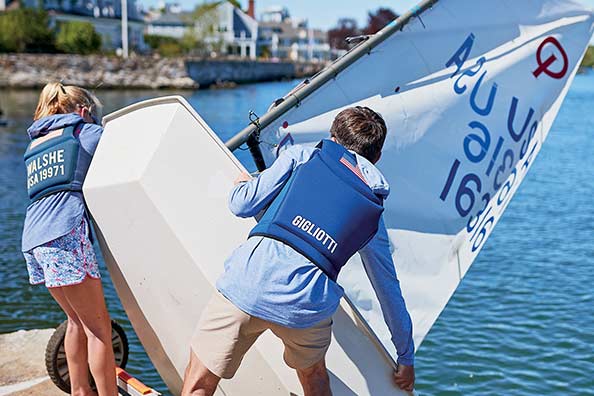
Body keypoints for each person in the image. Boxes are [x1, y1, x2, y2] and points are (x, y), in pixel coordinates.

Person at [182, 106, 415, 396]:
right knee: (315, 378)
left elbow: (241, 205)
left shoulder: (301, 156)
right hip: (306, 308)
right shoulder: (373, 213)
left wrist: (244, 184)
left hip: (249, 282)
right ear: (376, 158)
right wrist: (405, 356)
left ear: (331, 137)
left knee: (200, 383)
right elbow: (387, 289)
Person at [21, 82, 117, 396]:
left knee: (75, 320)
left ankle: (80, 391)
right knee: (99, 329)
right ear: (84, 111)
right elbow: (123, 148)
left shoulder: (34, 144)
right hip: (65, 235)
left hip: (35, 239)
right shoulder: (84, 133)